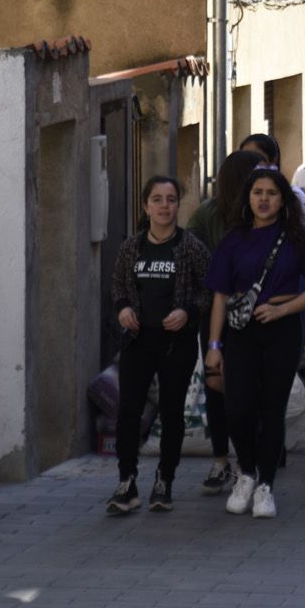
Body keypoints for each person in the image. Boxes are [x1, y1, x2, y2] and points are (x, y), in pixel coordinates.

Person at [204, 169, 305, 518]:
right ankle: (246, 471)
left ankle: (266, 485)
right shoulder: (233, 239)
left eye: (271, 193)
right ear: (248, 198)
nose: (263, 199)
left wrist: (282, 309)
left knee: (273, 409)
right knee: (238, 408)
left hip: (283, 329)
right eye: (257, 192)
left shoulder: (299, 238)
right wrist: (214, 344)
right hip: (240, 331)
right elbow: (219, 295)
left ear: (282, 198)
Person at [106, 176, 212, 515]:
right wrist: (123, 308)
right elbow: (119, 286)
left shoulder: (191, 247)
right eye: (157, 199)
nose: (165, 206)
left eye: (170, 199)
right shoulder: (131, 247)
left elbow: (209, 290)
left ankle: (164, 480)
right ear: (146, 206)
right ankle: (127, 481)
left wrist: (188, 311)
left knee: (171, 411)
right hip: (139, 340)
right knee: (129, 411)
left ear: (178, 204)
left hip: (176, 343)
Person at [185, 149, 264, 495]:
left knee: (252, 387)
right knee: (217, 386)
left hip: (257, 314)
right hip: (215, 315)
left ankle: (255, 457)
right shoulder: (207, 215)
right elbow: (192, 259)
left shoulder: (264, 217)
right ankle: (221, 460)